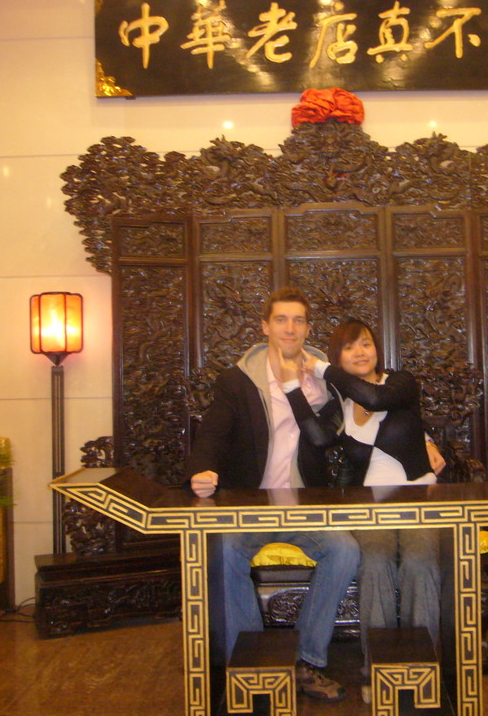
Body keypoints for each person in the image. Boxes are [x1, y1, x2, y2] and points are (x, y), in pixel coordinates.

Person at [187, 287, 358, 703]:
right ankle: (252, 665)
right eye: (281, 319)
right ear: (264, 327)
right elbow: (212, 433)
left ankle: (308, 661)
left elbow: (366, 412)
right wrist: (200, 471)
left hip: (304, 506)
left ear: (308, 328)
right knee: (225, 551)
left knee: (345, 551)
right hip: (249, 506)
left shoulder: (323, 380)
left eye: (298, 320)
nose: (290, 328)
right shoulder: (238, 380)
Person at [293, 317, 446, 703]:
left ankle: (422, 664)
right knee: (374, 562)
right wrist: (294, 389)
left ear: (377, 348)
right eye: (349, 347)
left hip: (418, 501)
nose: (360, 352)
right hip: (371, 508)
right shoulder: (341, 405)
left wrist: (321, 369)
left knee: (419, 561)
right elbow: (316, 437)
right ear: (338, 357)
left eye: (365, 343)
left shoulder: (400, 383)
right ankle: (376, 668)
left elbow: (375, 400)